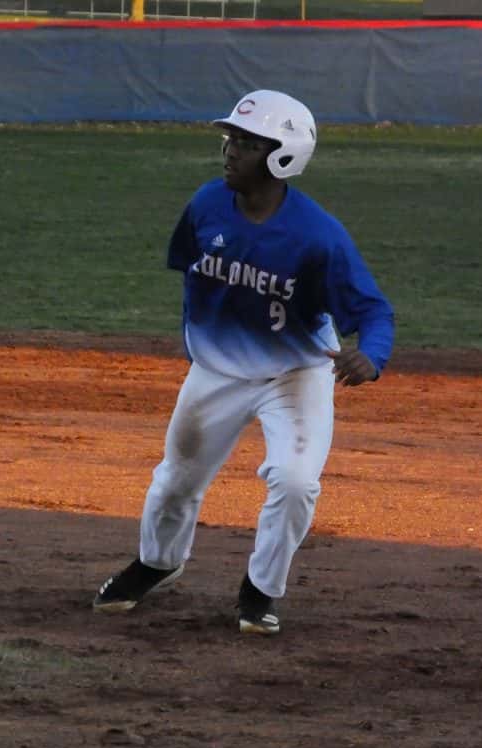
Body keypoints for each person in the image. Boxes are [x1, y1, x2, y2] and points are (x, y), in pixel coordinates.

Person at [92, 90, 395, 635]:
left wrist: (370, 356)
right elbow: (189, 267)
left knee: (296, 481)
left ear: (284, 156)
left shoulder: (317, 236)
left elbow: (373, 311)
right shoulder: (206, 204)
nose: (230, 150)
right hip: (216, 370)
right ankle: (157, 564)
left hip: (295, 372)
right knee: (175, 481)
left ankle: (260, 591)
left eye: (249, 143)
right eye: (231, 138)